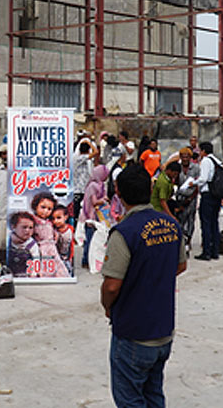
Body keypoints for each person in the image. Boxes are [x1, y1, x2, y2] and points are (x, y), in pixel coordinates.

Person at [100, 164, 187, 407]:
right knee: (153, 394)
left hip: (133, 332)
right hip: (163, 329)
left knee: (130, 399)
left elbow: (111, 286)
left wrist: (108, 307)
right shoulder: (172, 225)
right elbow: (181, 266)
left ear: (118, 192)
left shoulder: (124, 232)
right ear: (150, 190)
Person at [31, 192, 69, 278]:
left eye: (49, 209)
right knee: (44, 264)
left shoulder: (49, 221)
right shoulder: (34, 221)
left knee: (57, 264)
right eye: (43, 207)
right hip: (41, 248)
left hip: (52, 247)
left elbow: (52, 231)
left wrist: (56, 235)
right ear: (35, 206)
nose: (45, 211)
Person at [195, 142, 223, 261]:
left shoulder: (206, 161)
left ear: (203, 151)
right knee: (214, 223)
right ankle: (215, 251)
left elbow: (203, 178)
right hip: (217, 195)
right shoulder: (218, 161)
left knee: (205, 223)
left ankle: (206, 251)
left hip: (208, 195)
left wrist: (193, 183)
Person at [81, 165, 109, 267]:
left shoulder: (101, 185)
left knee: (95, 240)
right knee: (90, 239)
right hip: (90, 216)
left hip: (98, 216)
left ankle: (92, 260)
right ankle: (86, 261)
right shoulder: (93, 186)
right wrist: (103, 200)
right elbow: (94, 202)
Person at [174, 148, 201, 248]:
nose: (185, 158)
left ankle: (188, 239)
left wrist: (191, 197)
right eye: (183, 156)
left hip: (192, 196)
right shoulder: (178, 167)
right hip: (180, 196)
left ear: (190, 157)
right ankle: (181, 238)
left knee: (190, 218)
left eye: (187, 156)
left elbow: (198, 183)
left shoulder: (196, 168)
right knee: (180, 218)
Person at [7, 211, 40, 276]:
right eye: (24, 227)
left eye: (30, 228)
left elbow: (36, 259)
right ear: (13, 227)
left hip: (25, 275)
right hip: (10, 273)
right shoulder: (9, 239)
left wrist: (33, 274)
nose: (27, 230)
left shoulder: (31, 244)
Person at [71, 141, 96, 225]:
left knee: (77, 209)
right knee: (78, 210)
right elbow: (96, 152)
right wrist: (90, 143)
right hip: (80, 188)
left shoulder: (75, 158)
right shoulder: (81, 158)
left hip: (78, 187)